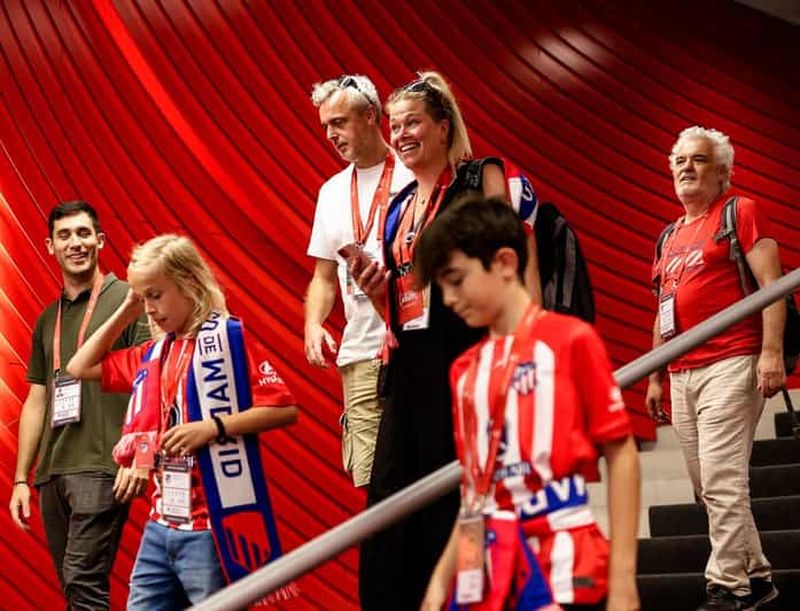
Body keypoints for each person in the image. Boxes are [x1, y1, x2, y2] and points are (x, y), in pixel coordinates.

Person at [353, 71, 541, 611]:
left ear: (442, 126)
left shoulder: (484, 176)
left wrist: (525, 346)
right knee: (391, 506)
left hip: (474, 356)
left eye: (413, 122)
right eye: (395, 125)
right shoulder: (396, 206)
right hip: (410, 366)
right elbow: (408, 295)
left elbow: (517, 260)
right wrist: (374, 289)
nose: (402, 133)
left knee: (466, 497)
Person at [415, 196, 640, 611]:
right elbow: (474, 490)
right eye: (440, 287)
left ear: (504, 262)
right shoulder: (463, 370)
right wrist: (439, 584)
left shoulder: (571, 339)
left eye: (456, 279)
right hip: (486, 565)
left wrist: (624, 581)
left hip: (567, 559)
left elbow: (621, 452)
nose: (447, 299)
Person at [66, 234, 299, 609]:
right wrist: (127, 306)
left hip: (211, 526)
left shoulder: (224, 342)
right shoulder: (153, 352)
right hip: (161, 522)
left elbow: (284, 408)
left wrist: (213, 427)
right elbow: (80, 366)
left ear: (190, 283)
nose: (149, 310)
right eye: (143, 299)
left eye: (155, 296)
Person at [646, 126, 783, 611]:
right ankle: (760, 576)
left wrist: (771, 352)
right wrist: (656, 374)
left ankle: (726, 585)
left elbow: (773, 286)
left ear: (722, 171)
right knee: (707, 486)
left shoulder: (738, 212)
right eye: (680, 160)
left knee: (724, 479)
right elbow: (664, 306)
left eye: (699, 160)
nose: (687, 167)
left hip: (732, 359)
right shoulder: (670, 235)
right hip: (681, 371)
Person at [8, 200, 149, 610]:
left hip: (104, 464)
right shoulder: (46, 318)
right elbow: (38, 398)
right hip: (54, 470)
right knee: (76, 589)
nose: (76, 243)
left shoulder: (129, 300)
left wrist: (138, 455)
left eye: (84, 233)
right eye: (65, 235)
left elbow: (152, 380)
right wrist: (22, 478)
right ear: (49, 246)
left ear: (100, 241)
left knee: (81, 581)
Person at [306, 74, 414, 488]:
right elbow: (323, 276)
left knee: (420, 468)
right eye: (326, 127)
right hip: (360, 353)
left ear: (371, 116)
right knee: (371, 478)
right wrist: (313, 323)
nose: (331, 135)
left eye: (339, 122)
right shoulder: (331, 192)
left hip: (412, 342)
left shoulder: (413, 171)